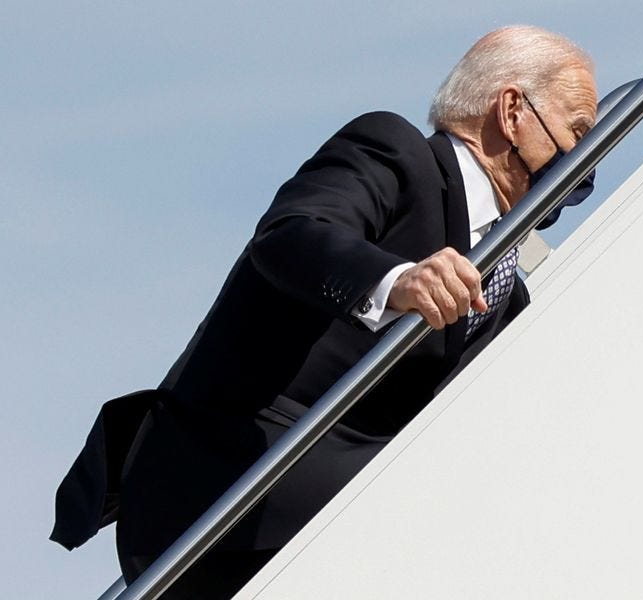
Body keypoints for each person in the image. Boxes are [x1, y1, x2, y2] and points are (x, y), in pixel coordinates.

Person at [51, 25, 597, 599]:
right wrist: (397, 280)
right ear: (512, 111)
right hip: (236, 492)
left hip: (354, 527)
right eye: (578, 135)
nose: (582, 172)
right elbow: (293, 235)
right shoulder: (398, 155)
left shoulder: (508, 296)